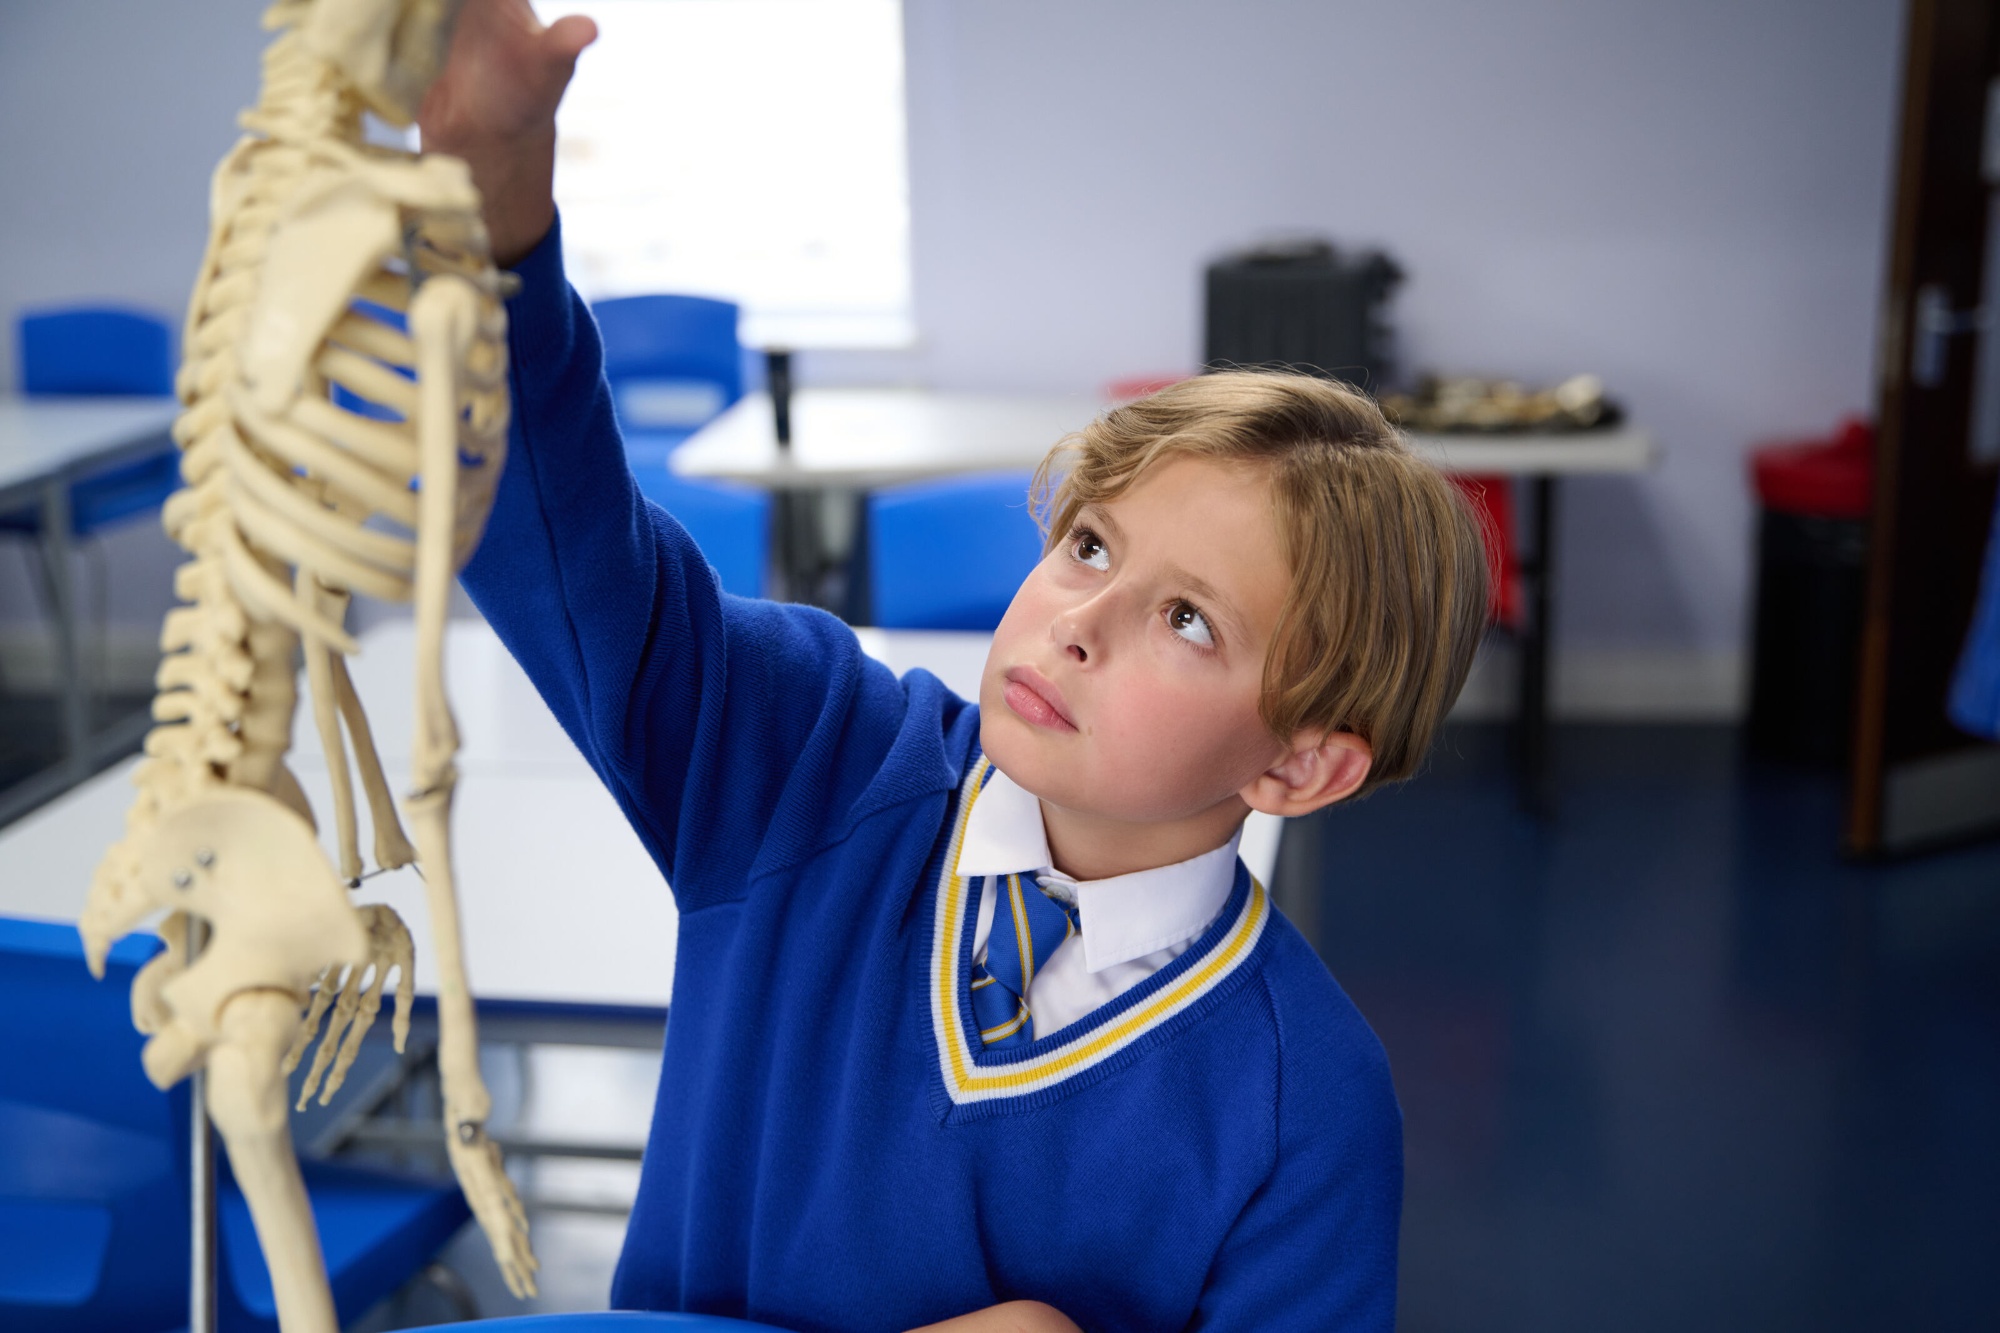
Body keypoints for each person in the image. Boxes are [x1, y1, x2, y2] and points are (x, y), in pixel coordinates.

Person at [421, 5, 1489, 1329]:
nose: (1078, 621)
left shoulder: (1306, 1110)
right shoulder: (808, 758)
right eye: (1092, 544)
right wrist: (490, 205)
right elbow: (559, 541)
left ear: (1300, 760)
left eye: (1191, 620)